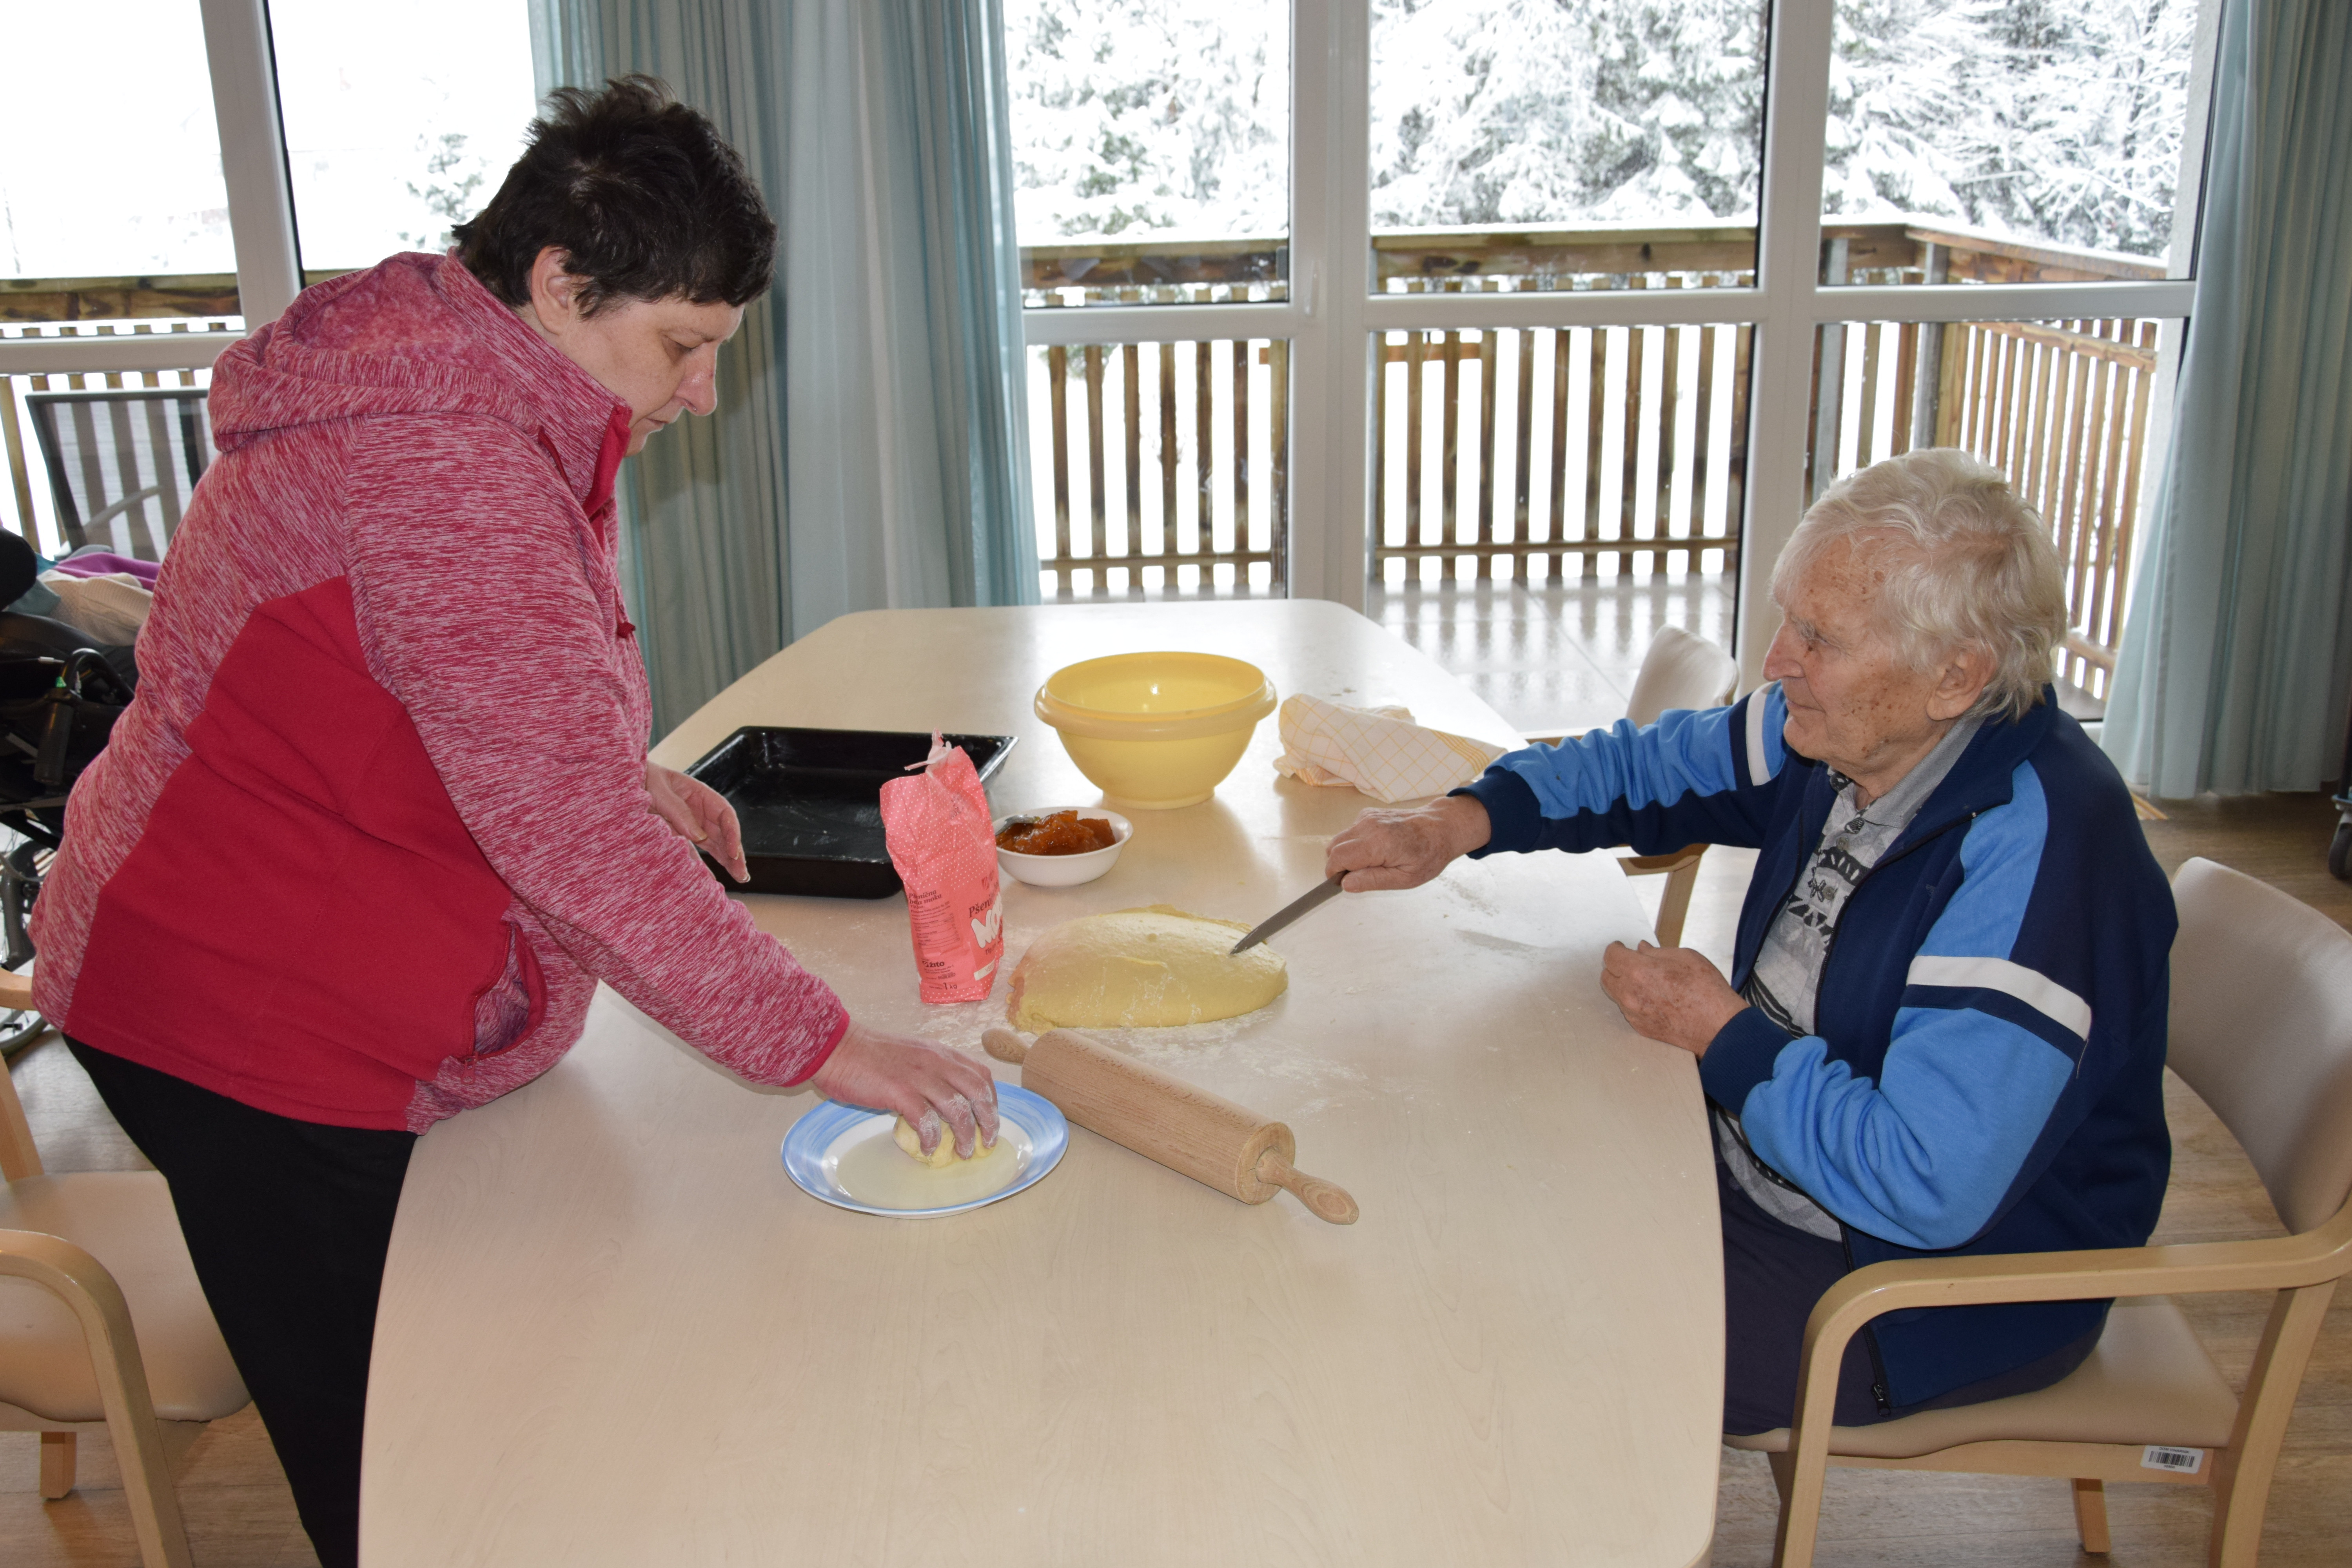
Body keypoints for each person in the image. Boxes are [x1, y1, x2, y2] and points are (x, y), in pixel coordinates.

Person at [30, 78, 995, 1568]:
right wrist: (829, 1045)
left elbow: (465, 698)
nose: (701, 393)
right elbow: (562, 833)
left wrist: (621, 773)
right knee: (405, 1470)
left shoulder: (473, 384)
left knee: (484, 1395)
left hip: (286, 937)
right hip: (231, 1011)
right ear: (562, 282)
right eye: (683, 346)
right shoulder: (442, 456)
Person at [1326, 447, 2174, 1434]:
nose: (1777, 661)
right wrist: (1461, 819)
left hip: (1922, 1289)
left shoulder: (2045, 859)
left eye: (1819, 636)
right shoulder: (1852, 729)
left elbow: (1927, 1185)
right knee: (1469, 1183)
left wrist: (1725, 1036)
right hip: (1763, 1166)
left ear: (1956, 675)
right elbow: (1643, 768)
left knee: (1509, 1331)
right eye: (1787, 618)